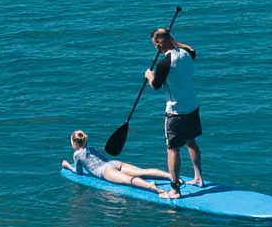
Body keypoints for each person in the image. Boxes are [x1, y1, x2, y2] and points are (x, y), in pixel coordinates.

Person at [146, 25, 204, 194]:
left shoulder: (164, 64)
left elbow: (156, 86)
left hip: (175, 112)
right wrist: (172, 40)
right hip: (192, 106)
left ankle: (174, 190)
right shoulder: (187, 55)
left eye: (155, 44)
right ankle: (198, 178)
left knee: (172, 149)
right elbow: (190, 48)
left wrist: (150, 76)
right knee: (191, 141)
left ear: (158, 44)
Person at [67, 130, 176, 194]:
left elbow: (79, 172)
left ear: (74, 143)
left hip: (105, 171)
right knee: (142, 171)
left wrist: (67, 166)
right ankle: (170, 176)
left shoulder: (77, 155)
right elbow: (104, 160)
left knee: (129, 180)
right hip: (113, 163)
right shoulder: (93, 149)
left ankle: (150, 186)